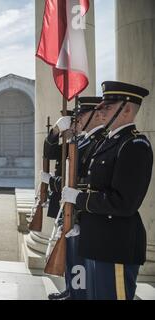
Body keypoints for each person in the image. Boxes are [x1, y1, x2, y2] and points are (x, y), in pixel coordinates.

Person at [62, 81, 153, 300]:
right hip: (98, 241)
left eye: (108, 108)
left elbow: (123, 203)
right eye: (101, 108)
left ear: (127, 109)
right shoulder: (108, 142)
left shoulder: (134, 145)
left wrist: (80, 199)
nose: (101, 114)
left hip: (115, 244)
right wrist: (79, 220)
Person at [43, 97, 106, 300]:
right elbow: (49, 151)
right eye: (75, 118)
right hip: (70, 203)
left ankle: (77, 293)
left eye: (80, 117)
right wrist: (55, 132)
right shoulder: (79, 140)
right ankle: (71, 291)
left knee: (79, 258)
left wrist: (53, 182)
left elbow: (79, 177)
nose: (76, 121)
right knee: (72, 255)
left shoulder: (93, 141)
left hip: (80, 207)